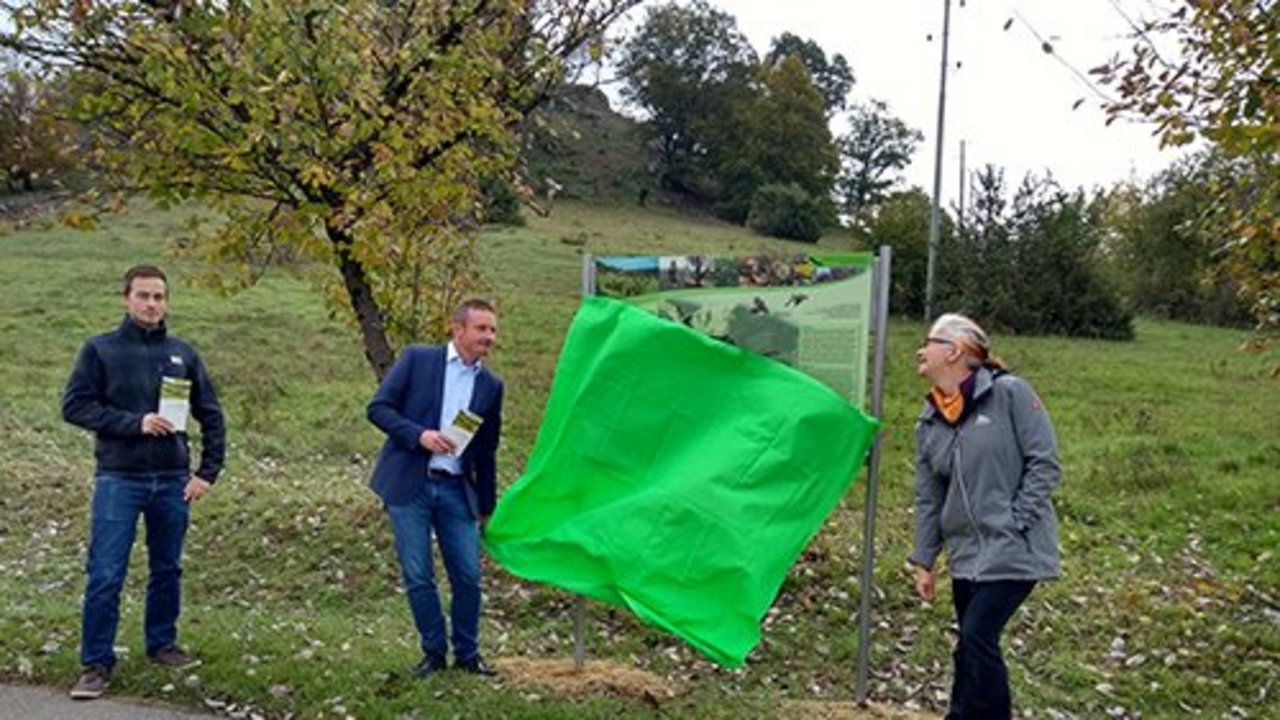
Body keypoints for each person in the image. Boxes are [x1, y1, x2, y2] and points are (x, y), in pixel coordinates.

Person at [61, 264, 226, 700]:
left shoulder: (183, 354)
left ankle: (162, 644)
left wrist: (208, 472)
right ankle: (96, 664)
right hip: (119, 478)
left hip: (173, 480)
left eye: (159, 297)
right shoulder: (100, 350)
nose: (152, 304)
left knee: (167, 569)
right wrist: (133, 423)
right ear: (126, 299)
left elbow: (211, 414)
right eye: (144, 296)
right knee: (105, 573)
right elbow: (75, 406)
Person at [908, 313, 1061, 720]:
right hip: (966, 556)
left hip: (1014, 551)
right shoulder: (930, 420)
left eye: (929, 342)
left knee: (977, 637)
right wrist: (924, 560)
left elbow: (1045, 464)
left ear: (954, 351)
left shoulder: (1009, 394)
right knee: (969, 644)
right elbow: (929, 498)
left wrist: (1014, 521)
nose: (920, 351)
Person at [367, 299, 504, 678]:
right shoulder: (417, 360)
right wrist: (419, 436)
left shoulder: (491, 385)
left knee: (468, 576)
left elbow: (487, 449)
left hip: (458, 490)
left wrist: (486, 506)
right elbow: (378, 408)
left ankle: (467, 654)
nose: (489, 337)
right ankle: (432, 653)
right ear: (457, 329)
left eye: (492, 330)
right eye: (482, 329)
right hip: (411, 485)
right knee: (418, 574)